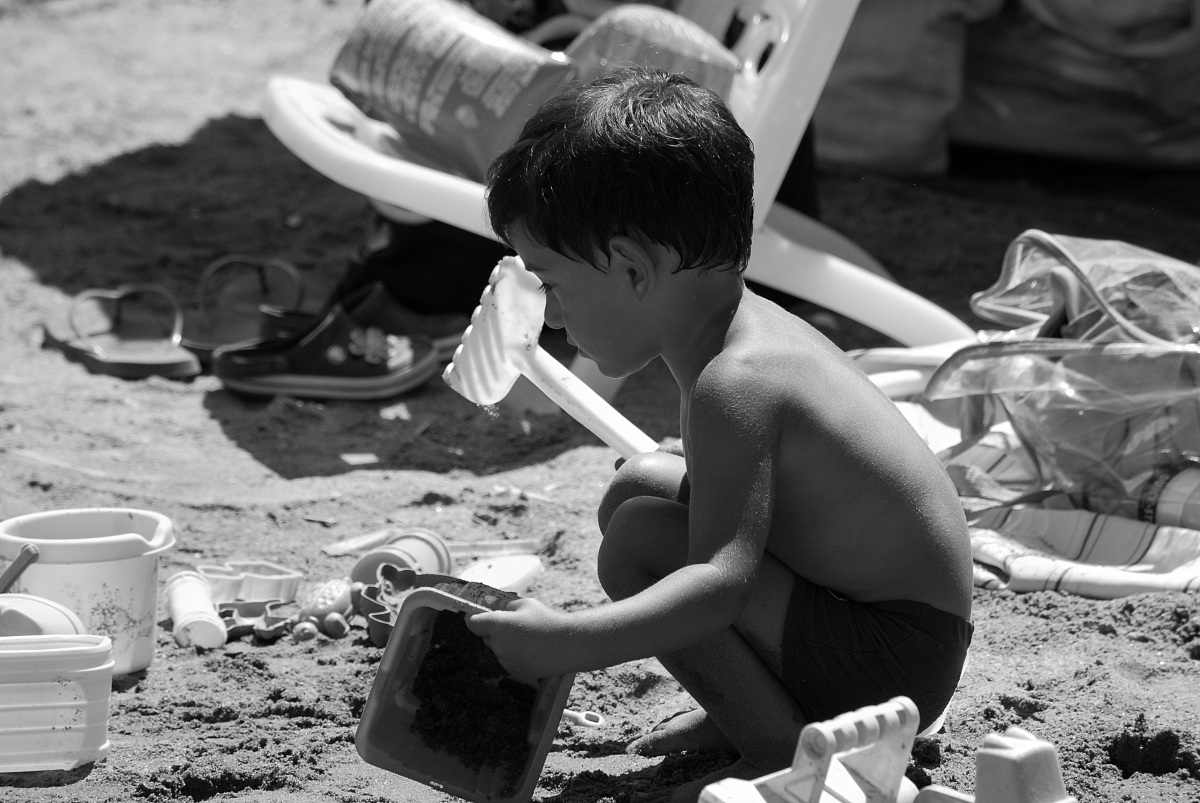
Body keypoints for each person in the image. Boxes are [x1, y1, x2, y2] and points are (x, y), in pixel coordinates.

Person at [464, 66, 974, 801]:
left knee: (641, 540)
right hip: (893, 636)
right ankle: (754, 712)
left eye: (551, 283)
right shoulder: (738, 329)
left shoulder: (735, 382)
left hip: (889, 661)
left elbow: (719, 585)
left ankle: (777, 755)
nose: (551, 316)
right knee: (641, 485)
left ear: (631, 268)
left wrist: (564, 641)